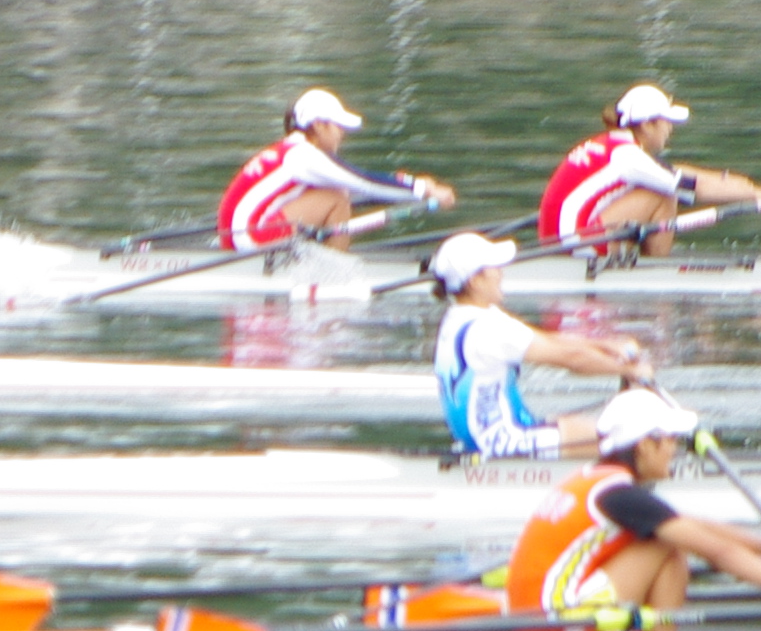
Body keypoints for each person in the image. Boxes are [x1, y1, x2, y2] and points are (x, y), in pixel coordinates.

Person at [504, 390, 761, 623]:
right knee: (669, 546)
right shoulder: (619, 495)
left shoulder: (595, 479)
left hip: (534, 606)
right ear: (645, 445)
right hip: (550, 619)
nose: (674, 451)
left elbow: (692, 524)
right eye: (670, 441)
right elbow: (718, 552)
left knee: (673, 538)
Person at [428, 231, 647, 458]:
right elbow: (570, 359)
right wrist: (630, 370)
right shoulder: (488, 328)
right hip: (501, 443)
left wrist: (607, 345)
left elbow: (549, 340)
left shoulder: (460, 317)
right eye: (494, 268)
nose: (501, 273)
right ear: (475, 281)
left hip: (491, 435)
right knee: (625, 440)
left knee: (579, 426)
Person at [537, 84, 761, 254]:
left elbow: (676, 171)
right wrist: (756, 195)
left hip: (556, 239)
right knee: (665, 191)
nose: (670, 129)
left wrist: (744, 184)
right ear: (646, 125)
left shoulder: (612, 144)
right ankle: (658, 269)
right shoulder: (628, 156)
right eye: (666, 123)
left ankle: (640, 259)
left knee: (664, 182)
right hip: (573, 246)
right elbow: (695, 188)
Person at [217, 88, 455, 251]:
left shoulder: (291, 149)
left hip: (234, 236)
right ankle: (334, 276)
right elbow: (363, 182)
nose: (342, 133)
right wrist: (425, 190)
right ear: (319, 126)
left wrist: (410, 187)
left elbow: (363, 190)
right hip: (246, 240)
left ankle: (317, 260)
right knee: (337, 198)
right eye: (338, 126)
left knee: (339, 193)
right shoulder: (305, 156)